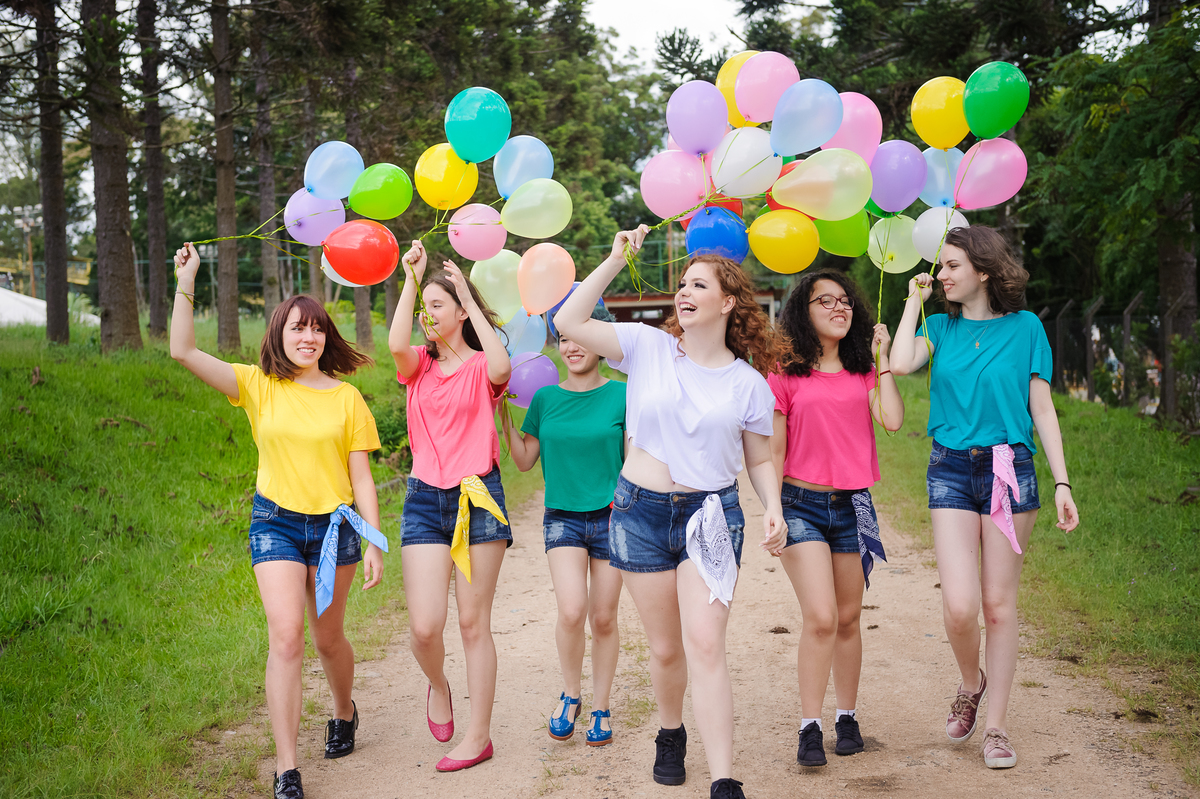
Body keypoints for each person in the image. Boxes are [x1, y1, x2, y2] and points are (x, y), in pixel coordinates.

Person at [554, 228, 787, 799]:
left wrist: (773, 507)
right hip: (639, 513)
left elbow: (760, 458)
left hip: (710, 518)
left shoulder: (749, 385)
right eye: (681, 283)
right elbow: (569, 321)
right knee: (664, 648)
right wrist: (613, 259)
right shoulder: (646, 346)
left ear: (727, 302)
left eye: (698, 284)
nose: (683, 291)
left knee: (706, 644)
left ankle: (725, 777)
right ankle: (670, 730)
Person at [170, 243, 385, 799]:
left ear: (325, 337)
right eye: (297, 328)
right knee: (286, 636)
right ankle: (287, 768)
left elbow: (361, 478)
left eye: (316, 329)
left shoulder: (347, 398)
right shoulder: (257, 386)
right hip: (276, 523)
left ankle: (344, 712)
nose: (307, 338)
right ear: (278, 333)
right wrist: (187, 282)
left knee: (328, 638)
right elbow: (182, 350)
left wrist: (376, 541)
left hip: (337, 527)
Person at [889, 226, 1079, 769]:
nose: (941, 274)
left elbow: (1042, 409)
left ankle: (995, 727)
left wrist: (1062, 482)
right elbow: (900, 363)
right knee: (960, 606)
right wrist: (912, 302)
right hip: (949, 469)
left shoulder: (1026, 329)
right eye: (940, 267)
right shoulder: (940, 328)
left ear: (985, 271)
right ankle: (971, 683)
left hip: (1009, 471)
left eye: (950, 266)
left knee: (998, 606)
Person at [768, 269, 904, 767]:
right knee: (821, 617)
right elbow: (773, 447)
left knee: (848, 619)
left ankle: (847, 716)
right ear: (803, 311)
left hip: (854, 506)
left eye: (845, 301)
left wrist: (883, 358)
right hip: (800, 505)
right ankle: (810, 726)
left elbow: (891, 420)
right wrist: (772, 508)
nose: (838, 308)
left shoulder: (864, 368)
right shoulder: (784, 372)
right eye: (825, 301)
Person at [388, 239, 513, 773]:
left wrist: (460, 286)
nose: (426, 317)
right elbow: (396, 340)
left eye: (437, 307)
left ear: (461, 312)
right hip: (423, 501)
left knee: (471, 623)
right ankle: (438, 684)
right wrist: (413, 279)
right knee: (423, 626)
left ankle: (477, 736)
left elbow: (502, 361)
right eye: (424, 310)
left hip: (478, 496)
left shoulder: (484, 367)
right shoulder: (417, 366)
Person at [503, 305, 626, 747]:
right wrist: (502, 413)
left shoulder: (622, 396)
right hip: (563, 518)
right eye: (563, 339)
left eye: (579, 336)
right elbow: (522, 461)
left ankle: (601, 706)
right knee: (573, 611)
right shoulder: (544, 399)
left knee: (604, 617)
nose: (571, 347)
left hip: (614, 518)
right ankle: (570, 695)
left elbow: (636, 462)